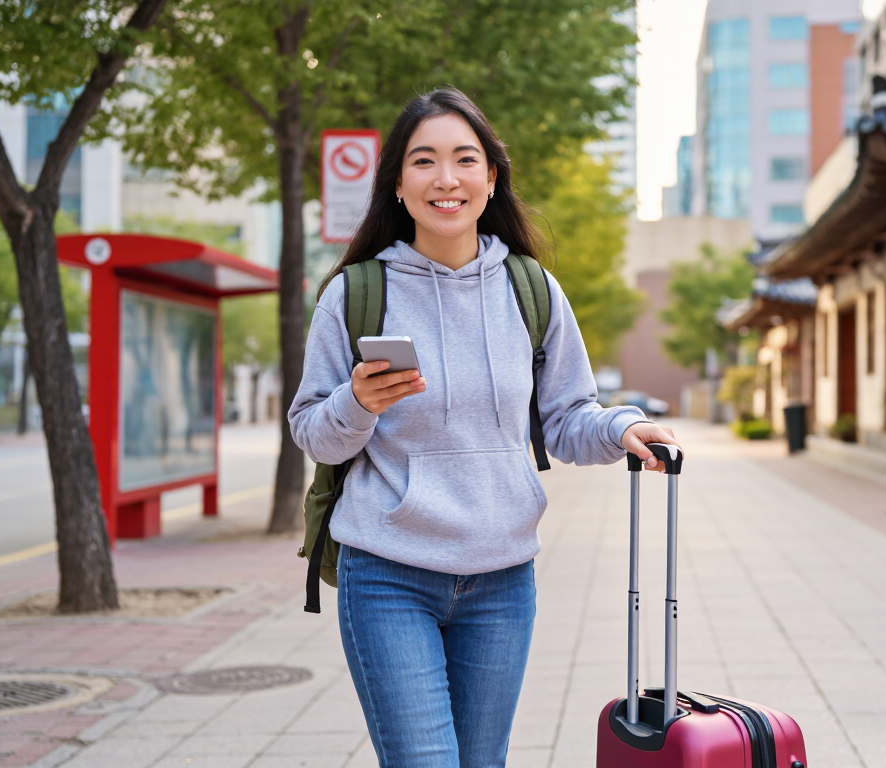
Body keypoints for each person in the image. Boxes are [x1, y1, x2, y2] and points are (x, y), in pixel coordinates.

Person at [288, 88, 679, 767]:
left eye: (465, 160)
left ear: (491, 178)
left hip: (502, 578)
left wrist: (622, 429)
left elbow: (566, 418)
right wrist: (358, 402)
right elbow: (314, 433)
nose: (447, 178)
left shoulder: (532, 290)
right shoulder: (354, 295)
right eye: (425, 161)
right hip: (387, 574)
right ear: (399, 186)